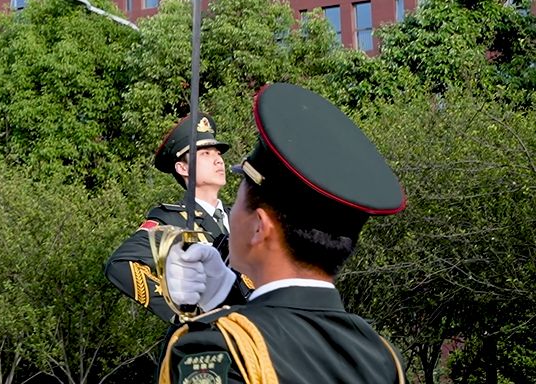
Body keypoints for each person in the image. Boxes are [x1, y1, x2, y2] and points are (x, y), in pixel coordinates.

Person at [158, 82, 407, 383]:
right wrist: (227, 297)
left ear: (259, 227)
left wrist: (193, 316)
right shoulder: (381, 356)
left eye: (238, 200)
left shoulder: (215, 348)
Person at [106, 114, 244, 323]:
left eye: (218, 153)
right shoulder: (171, 221)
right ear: (182, 168)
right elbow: (120, 264)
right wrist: (183, 314)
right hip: (214, 342)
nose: (218, 160)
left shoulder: (242, 218)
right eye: (205, 153)